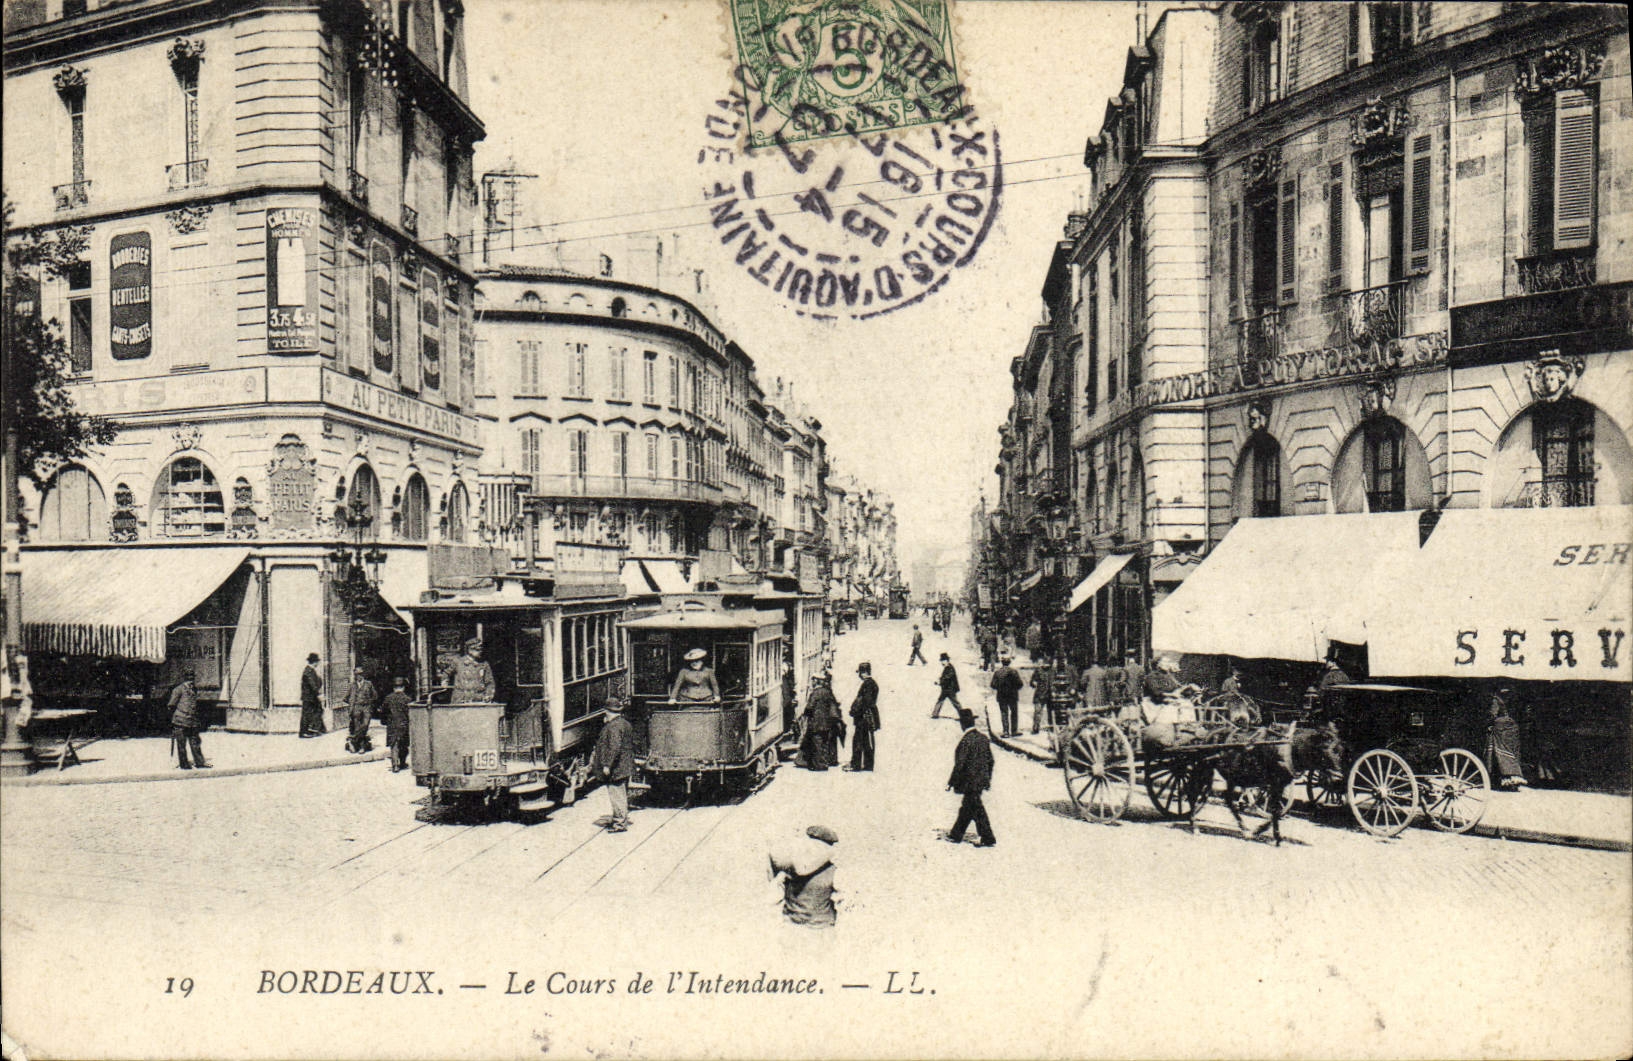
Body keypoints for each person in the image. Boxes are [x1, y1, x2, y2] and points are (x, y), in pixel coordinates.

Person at [767, 825, 839, 929]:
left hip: (791, 926)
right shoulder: (833, 871)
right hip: (821, 929)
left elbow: (773, 898)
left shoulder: (789, 868)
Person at [943, 710, 996, 847]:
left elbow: (960, 764)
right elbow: (991, 761)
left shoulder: (966, 741)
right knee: (968, 808)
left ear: (962, 724)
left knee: (976, 808)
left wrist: (951, 782)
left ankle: (987, 837)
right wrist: (987, 778)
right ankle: (956, 834)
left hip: (969, 781)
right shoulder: (983, 738)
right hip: (981, 780)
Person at [592, 697, 635, 831]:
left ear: (607, 711)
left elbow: (614, 747)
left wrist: (606, 765)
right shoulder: (625, 723)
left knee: (617, 795)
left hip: (617, 768)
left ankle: (619, 824)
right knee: (622, 794)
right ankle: (622, 819)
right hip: (625, 765)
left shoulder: (613, 727)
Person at [800, 673, 843, 770]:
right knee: (824, 742)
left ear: (816, 681)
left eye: (813, 680)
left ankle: (820, 765)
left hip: (816, 722)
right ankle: (825, 761)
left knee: (817, 742)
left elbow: (810, 707)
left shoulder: (815, 693)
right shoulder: (827, 692)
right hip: (827, 722)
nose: (812, 682)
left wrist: (805, 713)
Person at [168, 669, 209, 770]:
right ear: (184, 679)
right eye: (188, 679)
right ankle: (184, 764)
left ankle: (199, 762)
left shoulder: (194, 689)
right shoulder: (178, 690)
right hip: (180, 720)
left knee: (195, 742)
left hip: (192, 720)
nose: (191, 681)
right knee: (181, 744)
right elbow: (171, 705)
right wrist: (176, 717)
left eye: (192, 679)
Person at [1489, 687, 1528, 790]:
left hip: (1501, 729)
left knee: (1500, 753)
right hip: (1512, 729)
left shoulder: (1496, 700)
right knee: (1512, 753)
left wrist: (1490, 723)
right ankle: (1513, 780)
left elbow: (1493, 715)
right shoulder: (1512, 701)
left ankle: (1506, 779)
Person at [847, 662, 880, 771]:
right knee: (867, 741)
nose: (859, 675)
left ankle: (856, 765)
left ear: (864, 672)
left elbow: (865, 702)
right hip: (869, 716)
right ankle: (868, 765)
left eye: (860, 673)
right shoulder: (873, 683)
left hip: (864, 717)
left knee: (858, 741)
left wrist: (855, 710)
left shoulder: (867, 684)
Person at [443, 638, 496, 703]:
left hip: (477, 699)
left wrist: (488, 695)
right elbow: (446, 673)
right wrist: (444, 681)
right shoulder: (458, 662)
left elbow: (490, 682)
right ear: (470, 650)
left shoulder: (484, 664)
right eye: (477, 650)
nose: (480, 652)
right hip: (461, 699)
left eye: (480, 650)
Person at [343, 666, 376, 754]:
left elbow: (375, 696)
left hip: (366, 708)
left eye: (360, 674)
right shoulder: (352, 685)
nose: (359, 676)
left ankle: (352, 740)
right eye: (357, 675)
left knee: (365, 725)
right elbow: (345, 698)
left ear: (363, 675)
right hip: (356, 708)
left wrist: (369, 702)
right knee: (358, 727)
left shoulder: (369, 684)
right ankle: (361, 747)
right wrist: (352, 704)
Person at [382, 676, 411, 772]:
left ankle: (395, 766)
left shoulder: (388, 698)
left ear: (394, 688)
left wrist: (384, 721)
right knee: (403, 745)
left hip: (392, 725)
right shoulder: (407, 699)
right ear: (403, 687)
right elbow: (409, 714)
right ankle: (402, 763)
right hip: (404, 725)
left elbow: (384, 712)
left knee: (394, 745)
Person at [991, 656, 1023, 738]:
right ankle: (1014, 730)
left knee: (1004, 713)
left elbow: (993, 685)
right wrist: (1014, 689)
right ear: (1009, 662)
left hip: (1002, 695)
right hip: (1012, 695)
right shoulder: (1014, 672)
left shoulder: (998, 672)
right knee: (1014, 713)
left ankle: (1005, 731)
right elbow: (1020, 684)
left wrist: (1000, 688)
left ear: (1002, 662)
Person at [299, 652, 325, 737]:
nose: (318, 663)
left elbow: (317, 683)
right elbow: (312, 684)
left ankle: (313, 729)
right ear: (314, 662)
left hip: (311, 697)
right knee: (307, 714)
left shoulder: (311, 671)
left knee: (317, 711)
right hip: (309, 697)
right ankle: (304, 732)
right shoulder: (308, 671)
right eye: (317, 662)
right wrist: (318, 695)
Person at [1029, 654, 1054, 735]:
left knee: (1051, 712)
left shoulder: (1053, 671)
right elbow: (1032, 681)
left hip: (1050, 694)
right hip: (1040, 694)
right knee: (1038, 711)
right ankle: (1036, 727)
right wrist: (1034, 683)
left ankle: (1052, 727)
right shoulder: (1038, 670)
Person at [931, 653, 960, 719]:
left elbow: (947, 677)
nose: (942, 663)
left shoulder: (950, 668)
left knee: (955, 703)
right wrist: (940, 679)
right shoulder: (947, 667)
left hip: (950, 689)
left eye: (943, 661)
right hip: (946, 688)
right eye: (941, 661)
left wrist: (940, 682)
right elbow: (944, 677)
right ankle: (935, 714)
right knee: (940, 700)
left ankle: (964, 716)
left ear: (947, 660)